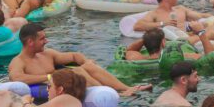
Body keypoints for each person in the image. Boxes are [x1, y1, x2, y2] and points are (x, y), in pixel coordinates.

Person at [8, 23, 151, 95]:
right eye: (42, 39)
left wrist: (86, 61)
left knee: (86, 67)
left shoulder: (47, 54)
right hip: (48, 90)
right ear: (30, 42)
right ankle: (112, 95)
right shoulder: (18, 61)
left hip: (59, 82)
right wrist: (50, 76)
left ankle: (126, 89)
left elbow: (74, 56)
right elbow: (17, 78)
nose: (46, 41)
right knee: (78, 71)